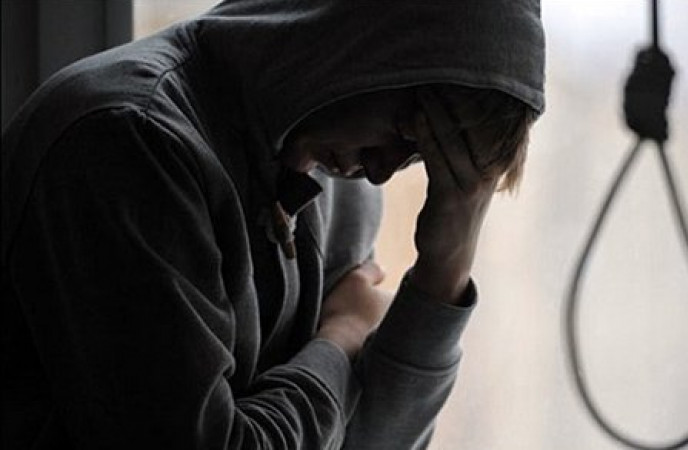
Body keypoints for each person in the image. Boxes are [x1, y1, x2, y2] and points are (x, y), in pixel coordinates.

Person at [1, 0, 545, 448]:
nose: (382, 171)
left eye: (419, 157)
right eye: (402, 130)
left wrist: (443, 271)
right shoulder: (129, 144)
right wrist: (341, 338)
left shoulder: (341, 175)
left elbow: (366, 441)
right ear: (366, 39)